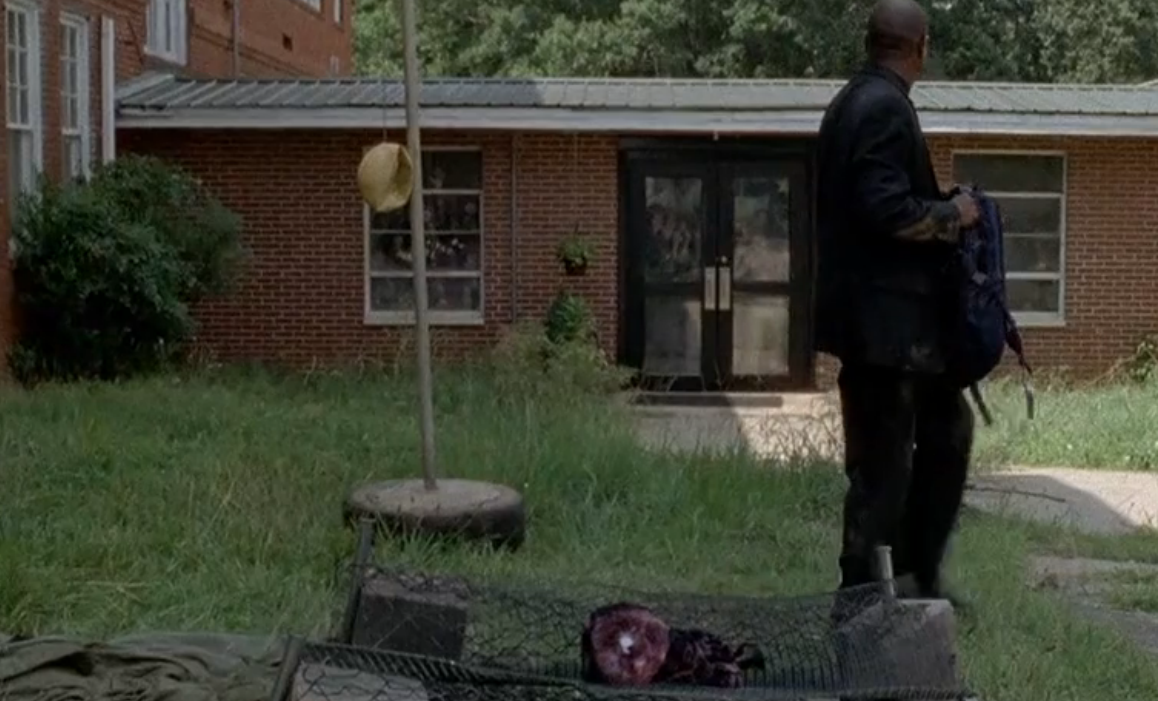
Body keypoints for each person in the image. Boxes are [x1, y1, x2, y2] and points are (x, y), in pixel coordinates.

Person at [814, 0, 981, 605]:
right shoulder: (881, 106)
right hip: (886, 331)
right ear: (920, 47)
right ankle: (861, 599)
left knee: (944, 432)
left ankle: (914, 578)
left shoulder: (853, 103)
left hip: (883, 327)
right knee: (883, 467)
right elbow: (884, 208)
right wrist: (953, 214)